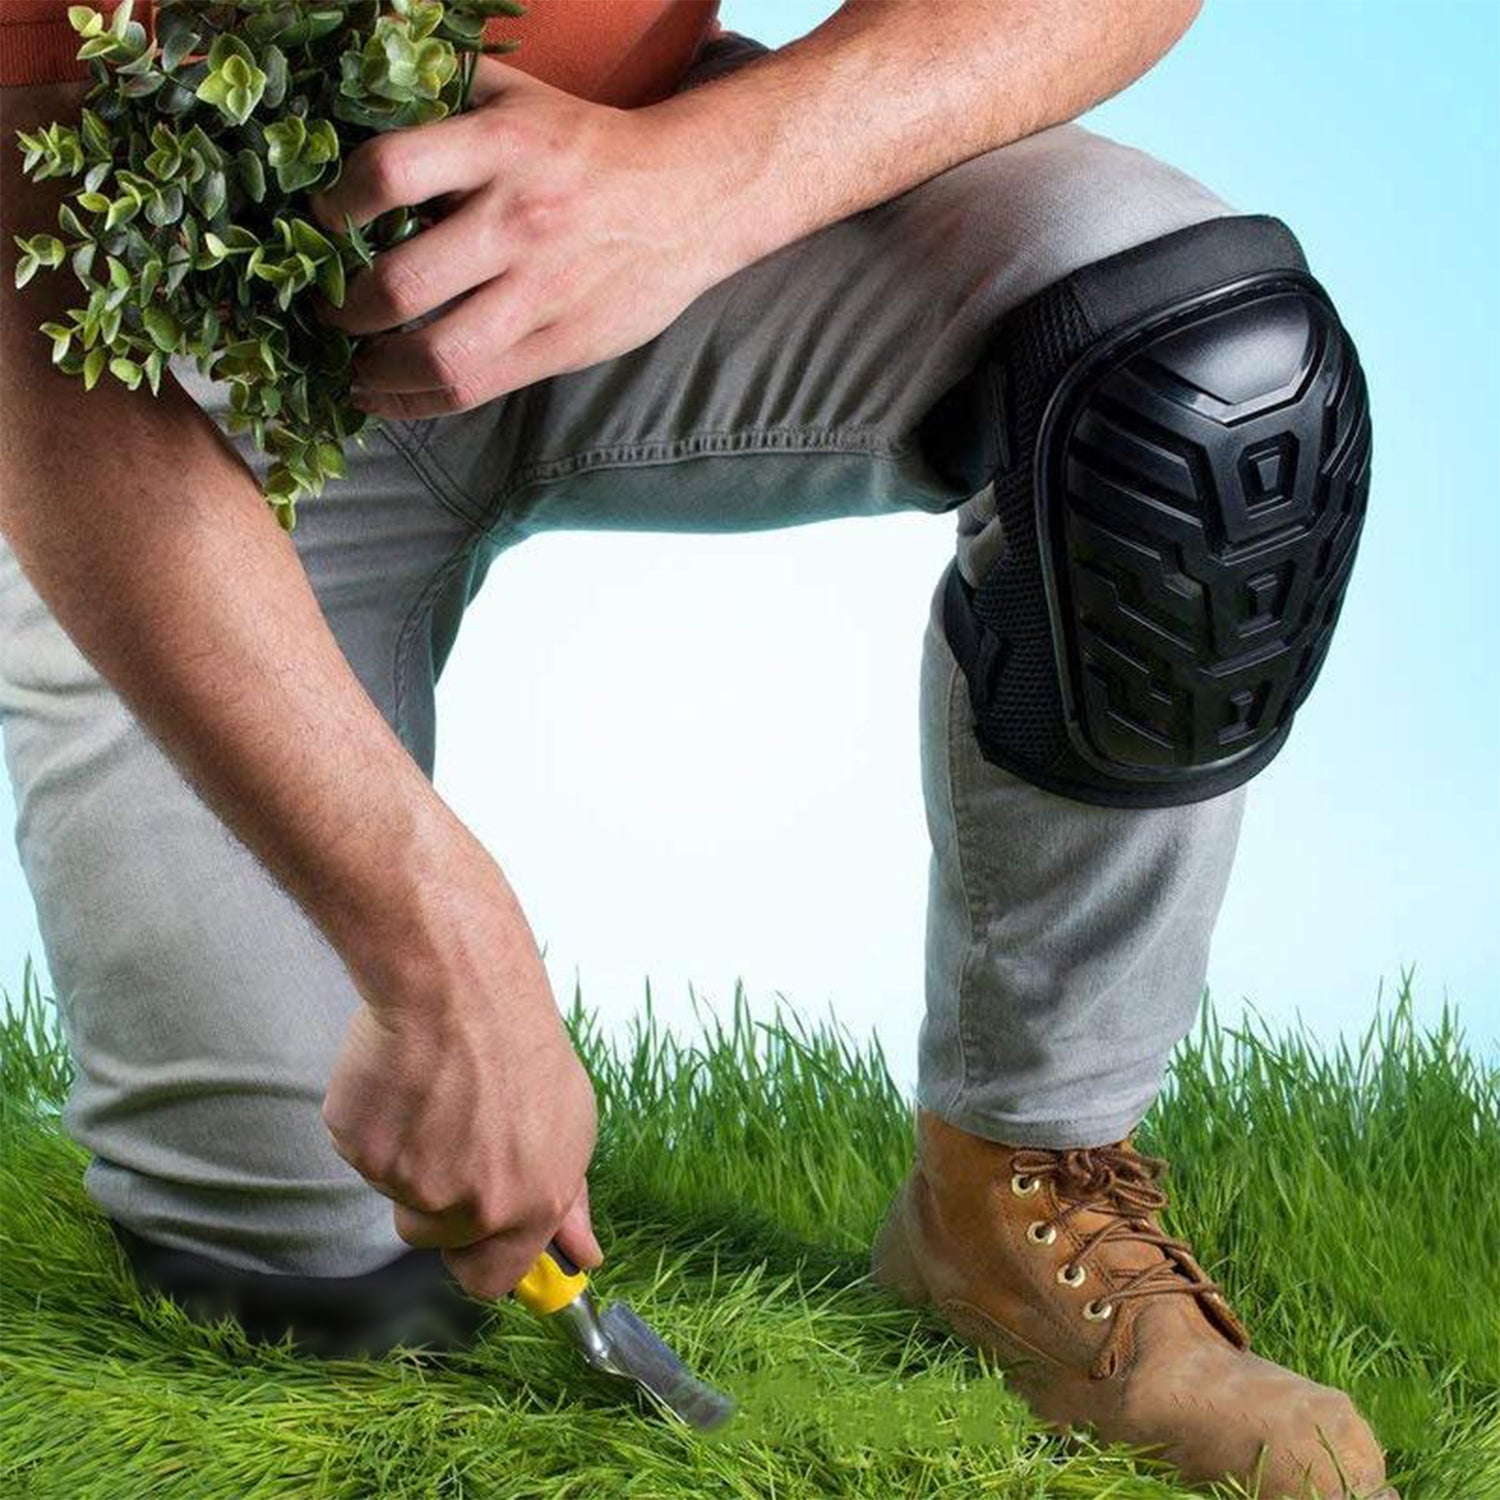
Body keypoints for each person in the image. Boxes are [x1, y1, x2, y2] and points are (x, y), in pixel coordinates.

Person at [0, 2, 1386, 1495]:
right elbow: (26, 324)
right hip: (156, 390)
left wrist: (693, 180)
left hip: (633, 196)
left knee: (1200, 383)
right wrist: (434, 939)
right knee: (319, 1290)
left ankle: (1014, 1184)